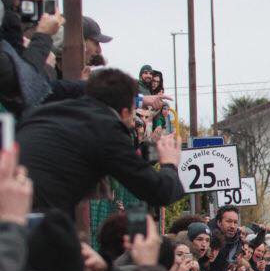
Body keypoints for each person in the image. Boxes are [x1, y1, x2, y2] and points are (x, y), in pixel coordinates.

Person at [15, 68, 184, 214]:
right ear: (125, 112)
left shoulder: (52, 111)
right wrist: (169, 164)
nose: (134, 122)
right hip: (35, 217)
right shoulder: (107, 129)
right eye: (134, 112)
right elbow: (159, 192)